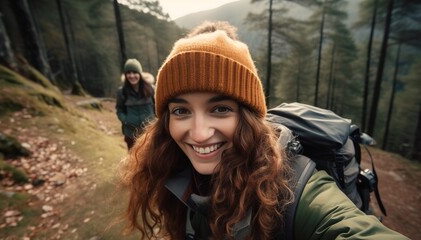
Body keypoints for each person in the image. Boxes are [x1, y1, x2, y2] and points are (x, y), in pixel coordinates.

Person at [120, 21, 408, 239]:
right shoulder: (172, 166)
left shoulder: (293, 188)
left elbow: (348, 225)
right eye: (181, 111)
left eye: (220, 109)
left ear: (248, 116)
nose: (199, 133)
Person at [116, 58, 155, 150]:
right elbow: (119, 110)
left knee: (152, 159)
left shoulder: (151, 89)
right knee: (134, 161)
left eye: (135, 72)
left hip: (150, 133)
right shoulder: (122, 92)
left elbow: (157, 107)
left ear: (140, 74)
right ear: (125, 75)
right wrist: (126, 120)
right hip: (131, 134)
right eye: (128, 73)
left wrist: (155, 121)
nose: (132, 76)